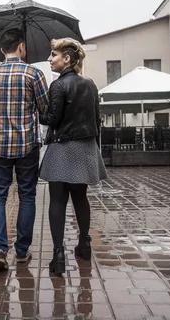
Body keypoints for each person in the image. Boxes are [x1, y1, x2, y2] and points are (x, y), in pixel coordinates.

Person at [39, 37, 107, 276]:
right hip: (85, 147)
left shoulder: (57, 85)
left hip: (62, 147)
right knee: (81, 198)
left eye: (53, 55)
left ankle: (59, 254)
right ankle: (85, 244)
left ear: (67, 58)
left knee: (57, 200)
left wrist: (40, 108)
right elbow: (96, 120)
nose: (50, 59)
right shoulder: (91, 84)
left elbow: (51, 119)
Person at [0, 28, 49, 271]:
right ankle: (21, 252)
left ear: (2, 50)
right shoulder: (34, 74)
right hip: (26, 145)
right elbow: (45, 109)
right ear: (22, 47)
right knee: (27, 196)